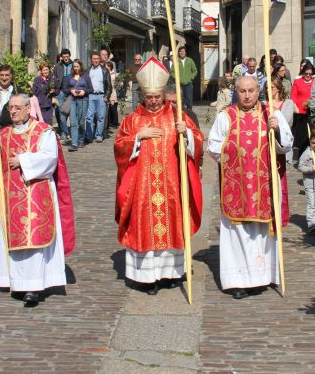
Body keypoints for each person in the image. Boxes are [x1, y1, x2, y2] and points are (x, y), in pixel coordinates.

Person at [114, 57, 203, 295]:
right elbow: (119, 147)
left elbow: (197, 143)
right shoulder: (132, 121)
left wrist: (187, 135)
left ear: (164, 93)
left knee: (172, 226)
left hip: (170, 185)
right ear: (143, 95)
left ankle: (170, 274)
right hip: (142, 188)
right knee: (144, 226)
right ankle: (147, 278)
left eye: (157, 96)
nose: (153, 101)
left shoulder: (177, 116)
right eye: (149, 97)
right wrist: (137, 137)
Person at [0, 94, 75, 306]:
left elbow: (50, 159)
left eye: (16, 107)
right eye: (10, 107)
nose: (12, 111)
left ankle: (34, 286)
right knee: (16, 239)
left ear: (27, 109)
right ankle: (16, 282)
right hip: (11, 198)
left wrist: (22, 160)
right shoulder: (2, 135)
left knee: (34, 240)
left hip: (36, 195)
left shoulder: (43, 131)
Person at [207, 76, 293, 299]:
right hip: (236, 184)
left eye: (251, 91)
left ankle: (261, 278)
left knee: (262, 234)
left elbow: (287, 145)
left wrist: (278, 131)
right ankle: (237, 281)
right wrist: (235, 153)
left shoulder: (271, 112)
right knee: (237, 233)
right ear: (236, 92)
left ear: (258, 91)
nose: (247, 95)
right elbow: (214, 146)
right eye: (243, 91)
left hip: (263, 182)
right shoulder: (226, 116)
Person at [86, 51, 111, 143]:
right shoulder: (88, 70)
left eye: (97, 59)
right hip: (91, 96)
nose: (96, 60)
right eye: (94, 59)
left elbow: (109, 85)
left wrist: (107, 96)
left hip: (101, 96)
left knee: (101, 117)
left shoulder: (104, 70)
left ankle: (99, 135)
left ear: (99, 59)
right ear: (91, 60)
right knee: (89, 116)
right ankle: (89, 135)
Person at [290, 62, 315, 156]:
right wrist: (295, 107)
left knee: (313, 134)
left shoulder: (314, 81)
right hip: (301, 112)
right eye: (306, 73)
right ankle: (302, 155)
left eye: (310, 74)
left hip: (312, 111)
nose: (308, 75)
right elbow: (293, 96)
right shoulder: (298, 82)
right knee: (303, 135)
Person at [67, 59, 91, 152]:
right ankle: (74, 143)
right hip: (73, 100)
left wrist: (84, 91)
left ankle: (81, 139)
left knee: (81, 122)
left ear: (80, 66)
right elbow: (65, 88)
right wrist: (71, 90)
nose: (76, 68)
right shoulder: (70, 76)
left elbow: (91, 89)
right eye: (74, 66)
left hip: (83, 101)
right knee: (73, 122)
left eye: (77, 66)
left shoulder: (86, 76)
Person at [53, 50, 73, 140]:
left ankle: (65, 132)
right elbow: (54, 78)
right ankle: (65, 133)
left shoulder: (73, 65)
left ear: (69, 56)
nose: (66, 58)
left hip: (71, 92)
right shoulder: (58, 66)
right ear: (61, 57)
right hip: (61, 92)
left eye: (67, 56)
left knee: (67, 112)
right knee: (61, 113)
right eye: (64, 56)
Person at [172, 46, 198, 110]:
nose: (181, 52)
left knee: (189, 100)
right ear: (178, 53)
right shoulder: (176, 61)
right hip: (180, 85)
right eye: (180, 51)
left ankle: (189, 114)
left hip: (189, 84)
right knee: (181, 101)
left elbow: (195, 70)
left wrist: (191, 77)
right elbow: (172, 72)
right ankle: (182, 115)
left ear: (185, 52)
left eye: (183, 51)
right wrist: (176, 78)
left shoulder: (190, 60)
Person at [105, 61, 120, 128]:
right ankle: (110, 122)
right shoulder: (107, 73)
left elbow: (115, 85)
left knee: (113, 107)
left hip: (113, 92)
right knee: (110, 107)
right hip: (109, 91)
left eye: (106, 66)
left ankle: (115, 122)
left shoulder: (113, 74)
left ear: (109, 67)